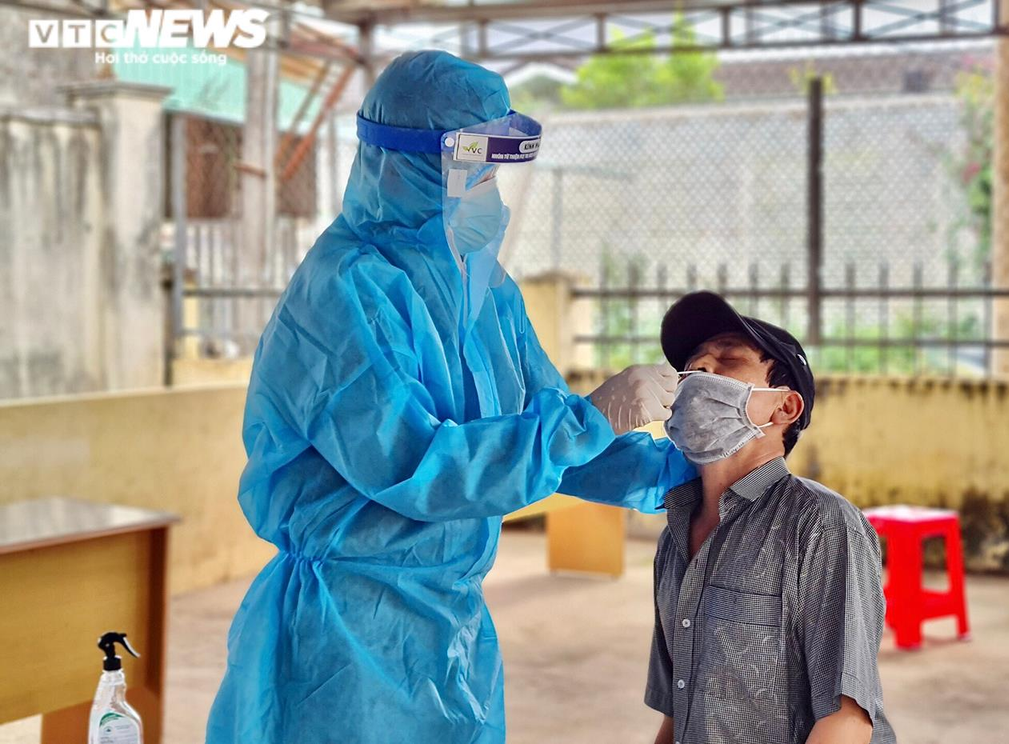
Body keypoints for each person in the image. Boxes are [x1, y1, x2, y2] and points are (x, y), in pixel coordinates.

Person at [206, 51, 692, 744]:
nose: (490, 194)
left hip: (451, 625)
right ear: (405, 170)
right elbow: (419, 466)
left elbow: (548, 438)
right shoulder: (344, 290)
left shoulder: (484, 289)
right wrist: (589, 420)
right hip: (345, 635)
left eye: (495, 174)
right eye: (475, 174)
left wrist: (677, 474)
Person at [646, 291, 895, 744]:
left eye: (728, 359)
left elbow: (847, 721)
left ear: (784, 407)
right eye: (692, 367)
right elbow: (677, 715)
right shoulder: (674, 534)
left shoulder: (821, 525)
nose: (701, 372)